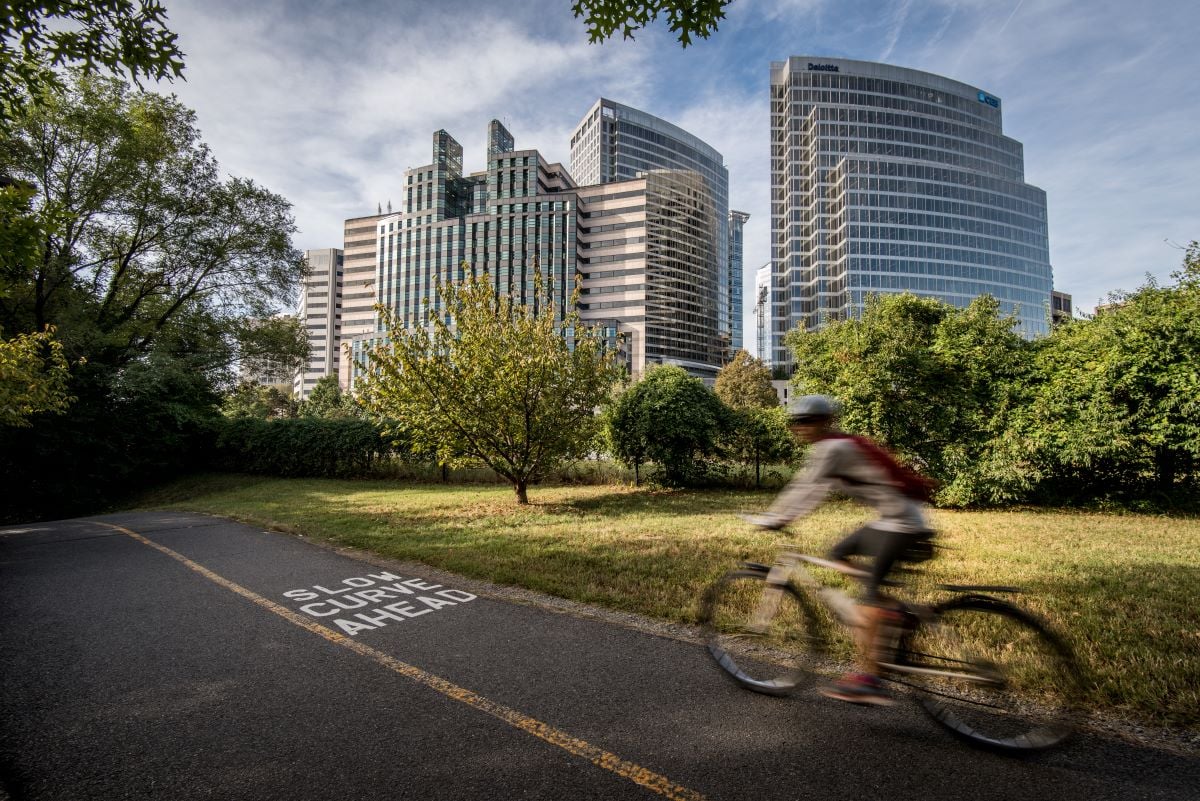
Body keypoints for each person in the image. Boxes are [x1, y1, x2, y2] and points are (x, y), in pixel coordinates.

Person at [743, 394, 934, 706]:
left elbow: (805, 488)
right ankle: (893, 612)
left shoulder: (833, 448)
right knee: (838, 553)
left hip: (902, 525)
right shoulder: (838, 446)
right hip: (896, 518)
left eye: (808, 421)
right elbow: (812, 492)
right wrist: (782, 515)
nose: (801, 427)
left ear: (825, 422)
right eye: (796, 422)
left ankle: (870, 679)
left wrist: (776, 518)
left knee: (867, 598)